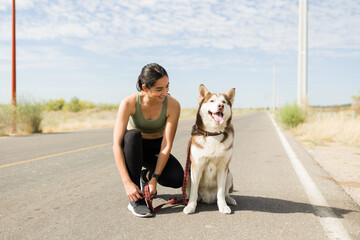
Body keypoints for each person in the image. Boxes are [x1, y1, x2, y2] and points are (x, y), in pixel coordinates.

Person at [113, 63, 184, 217]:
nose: (165, 92)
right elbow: (117, 145)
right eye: (159, 89)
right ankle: (136, 201)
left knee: (177, 178)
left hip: (156, 148)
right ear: (145, 88)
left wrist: (154, 178)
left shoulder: (173, 105)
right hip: (133, 148)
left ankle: (145, 176)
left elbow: (166, 145)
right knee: (132, 135)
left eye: (167, 86)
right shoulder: (129, 103)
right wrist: (127, 183)